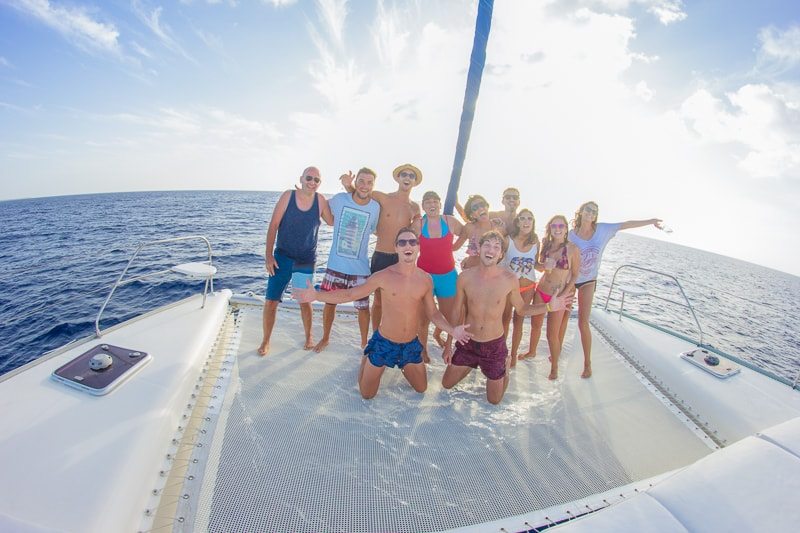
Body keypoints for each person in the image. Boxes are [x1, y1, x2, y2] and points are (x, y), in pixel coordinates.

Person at [295, 228, 472, 399]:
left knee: (421, 388)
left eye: (412, 242)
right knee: (367, 395)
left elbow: (433, 313)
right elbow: (351, 294)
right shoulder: (383, 276)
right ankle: (368, 355)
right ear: (396, 248)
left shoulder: (425, 279)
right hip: (384, 343)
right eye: (402, 243)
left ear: (418, 247)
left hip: (410, 345)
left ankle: (402, 364)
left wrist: (452, 330)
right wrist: (317, 295)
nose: (407, 246)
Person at [442, 230, 572, 404]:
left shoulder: (509, 279)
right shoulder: (464, 277)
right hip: (468, 342)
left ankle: (504, 366)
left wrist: (549, 306)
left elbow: (522, 309)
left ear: (501, 254)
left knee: (494, 400)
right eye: (487, 245)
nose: (491, 250)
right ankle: (471, 363)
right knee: (446, 384)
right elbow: (456, 312)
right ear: (479, 249)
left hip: (494, 345)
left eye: (496, 247)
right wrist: (449, 344)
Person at [559, 201, 663, 378]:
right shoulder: (570, 235)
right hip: (570, 279)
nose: (591, 213)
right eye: (588, 209)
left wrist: (650, 221)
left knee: (583, 321)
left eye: (594, 211)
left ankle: (587, 364)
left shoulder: (602, 230)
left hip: (588, 281)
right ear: (581, 212)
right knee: (564, 316)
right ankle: (557, 350)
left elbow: (626, 224)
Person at [259, 166, 332, 356]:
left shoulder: (321, 201)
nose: (312, 182)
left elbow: (332, 221)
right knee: (271, 301)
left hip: (306, 260)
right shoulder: (288, 196)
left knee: (305, 301)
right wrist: (268, 255)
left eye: (317, 180)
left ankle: (309, 336)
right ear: (301, 178)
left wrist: (349, 194)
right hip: (282, 257)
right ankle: (266, 340)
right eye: (309, 178)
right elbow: (274, 225)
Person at [341, 164, 422, 332]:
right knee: (378, 301)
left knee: (398, 301)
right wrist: (349, 185)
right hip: (381, 256)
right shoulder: (382, 197)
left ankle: (395, 333)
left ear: (414, 182)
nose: (407, 178)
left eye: (411, 176)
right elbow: (360, 195)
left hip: (400, 260)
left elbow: (417, 231)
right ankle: (377, 335)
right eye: (404, 174)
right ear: (398, 178)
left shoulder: (415, 207)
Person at [315, 167, 381, 353]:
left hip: (360, 267)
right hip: (335, 264)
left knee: (363, 308)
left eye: (369, 182)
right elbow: (321, 208)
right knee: (330, 303)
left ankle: (363, 343)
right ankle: (326, 338)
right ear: (356, 182)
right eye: (361, 181)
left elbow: (375, 229)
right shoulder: (340, 199)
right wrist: (305, 193)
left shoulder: (375, 207)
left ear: (373, 185)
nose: (364, 186)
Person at [416, 191, 466, 362]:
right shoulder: (418, 224)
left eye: (435, 201)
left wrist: (455, 247)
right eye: (428, 202)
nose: (432, 205)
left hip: (447, 276)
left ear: (439, 204)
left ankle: (448, 346)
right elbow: (407, 243)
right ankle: (422, 350)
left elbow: (466, 231)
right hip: (423, 277)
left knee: (451, 317)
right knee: (423, 318)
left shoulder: (449, 221)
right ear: (423, 206)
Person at [529, 215, 580, 380]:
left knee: (552, 334)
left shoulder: (572, 249)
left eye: (561, 226)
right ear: (550, 229)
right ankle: (531, 351)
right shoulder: (546, 245)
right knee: (535, 325)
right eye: (554, 226)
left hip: (558, 295)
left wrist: (565, 294)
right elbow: (538, 266)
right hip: (541, 290)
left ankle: (555, 367)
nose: (557, 229)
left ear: (566, 229)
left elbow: (575, 275)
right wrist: (543, 266)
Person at [500, 209, 540, 366]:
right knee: (505, 319)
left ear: (533, 222)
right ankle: (502, 352)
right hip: (510, 288)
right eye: (522, 218)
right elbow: (497, 259)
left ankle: (514, 354)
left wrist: (549, 266)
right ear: (517, 222)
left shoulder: (536, 242)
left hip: (528, 287)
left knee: (519, 321)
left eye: (529, 218)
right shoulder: (508, 240)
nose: (526, 221)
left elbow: (535, 264)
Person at [456, 195, 505, 270]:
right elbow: (455, 247)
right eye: (475, 208)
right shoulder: (469, 228)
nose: (481, 208)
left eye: (482, 204)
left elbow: (504, 253)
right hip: (470, 271)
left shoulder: (498, 227)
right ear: (472, 215)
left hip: (489, 275)